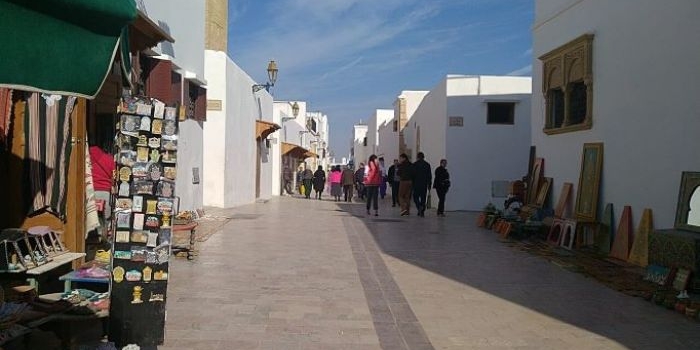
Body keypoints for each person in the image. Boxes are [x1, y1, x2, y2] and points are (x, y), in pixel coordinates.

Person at [89, 142, 116, 224]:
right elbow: (114, 176)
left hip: (90, 192)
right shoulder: (109, 159)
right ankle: (103, 234)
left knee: (90, 219)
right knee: (105, 220)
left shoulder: (85, 160)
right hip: (105, 193)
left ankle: (92, 235)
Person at [412, 152, 432, 217]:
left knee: (415, 197)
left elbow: (413, 175)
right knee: (423, 198)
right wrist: (429, 184)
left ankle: (419, 207)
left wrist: (412, 184)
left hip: (416, 184)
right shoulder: (427, 165)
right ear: (423, 157)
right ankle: (422, 211)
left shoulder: (415, 164)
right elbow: (429, 176)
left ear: (417, 157)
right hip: (424, 184)